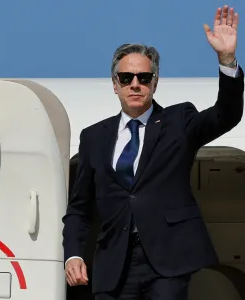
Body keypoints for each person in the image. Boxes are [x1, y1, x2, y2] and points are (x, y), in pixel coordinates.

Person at [62, 5, 243, 300]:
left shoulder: (178, 121)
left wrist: (226, 59)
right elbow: (79, 209)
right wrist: (72, 255)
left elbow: (227, 114)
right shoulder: (94, 137)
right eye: (126, 78)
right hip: (113, 265)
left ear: (155, 83)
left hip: (167, 261)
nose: (135, 84)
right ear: (115, 85)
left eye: (144, 78)